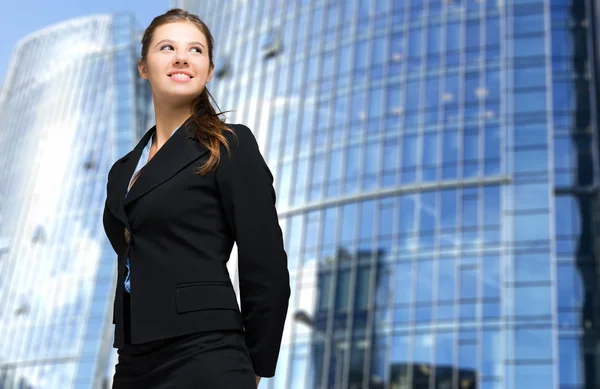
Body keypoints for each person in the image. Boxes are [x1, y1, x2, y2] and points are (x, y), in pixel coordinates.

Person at [102, 8, 290, 388]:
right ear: (143, 67)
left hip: (207, 354)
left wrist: (253, 368)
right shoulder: (122, 170)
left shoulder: (229, 145)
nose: (182, 57)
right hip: (133, 360)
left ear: (208, 69)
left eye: (196, 50)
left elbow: (266, 266)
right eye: (167, 47)